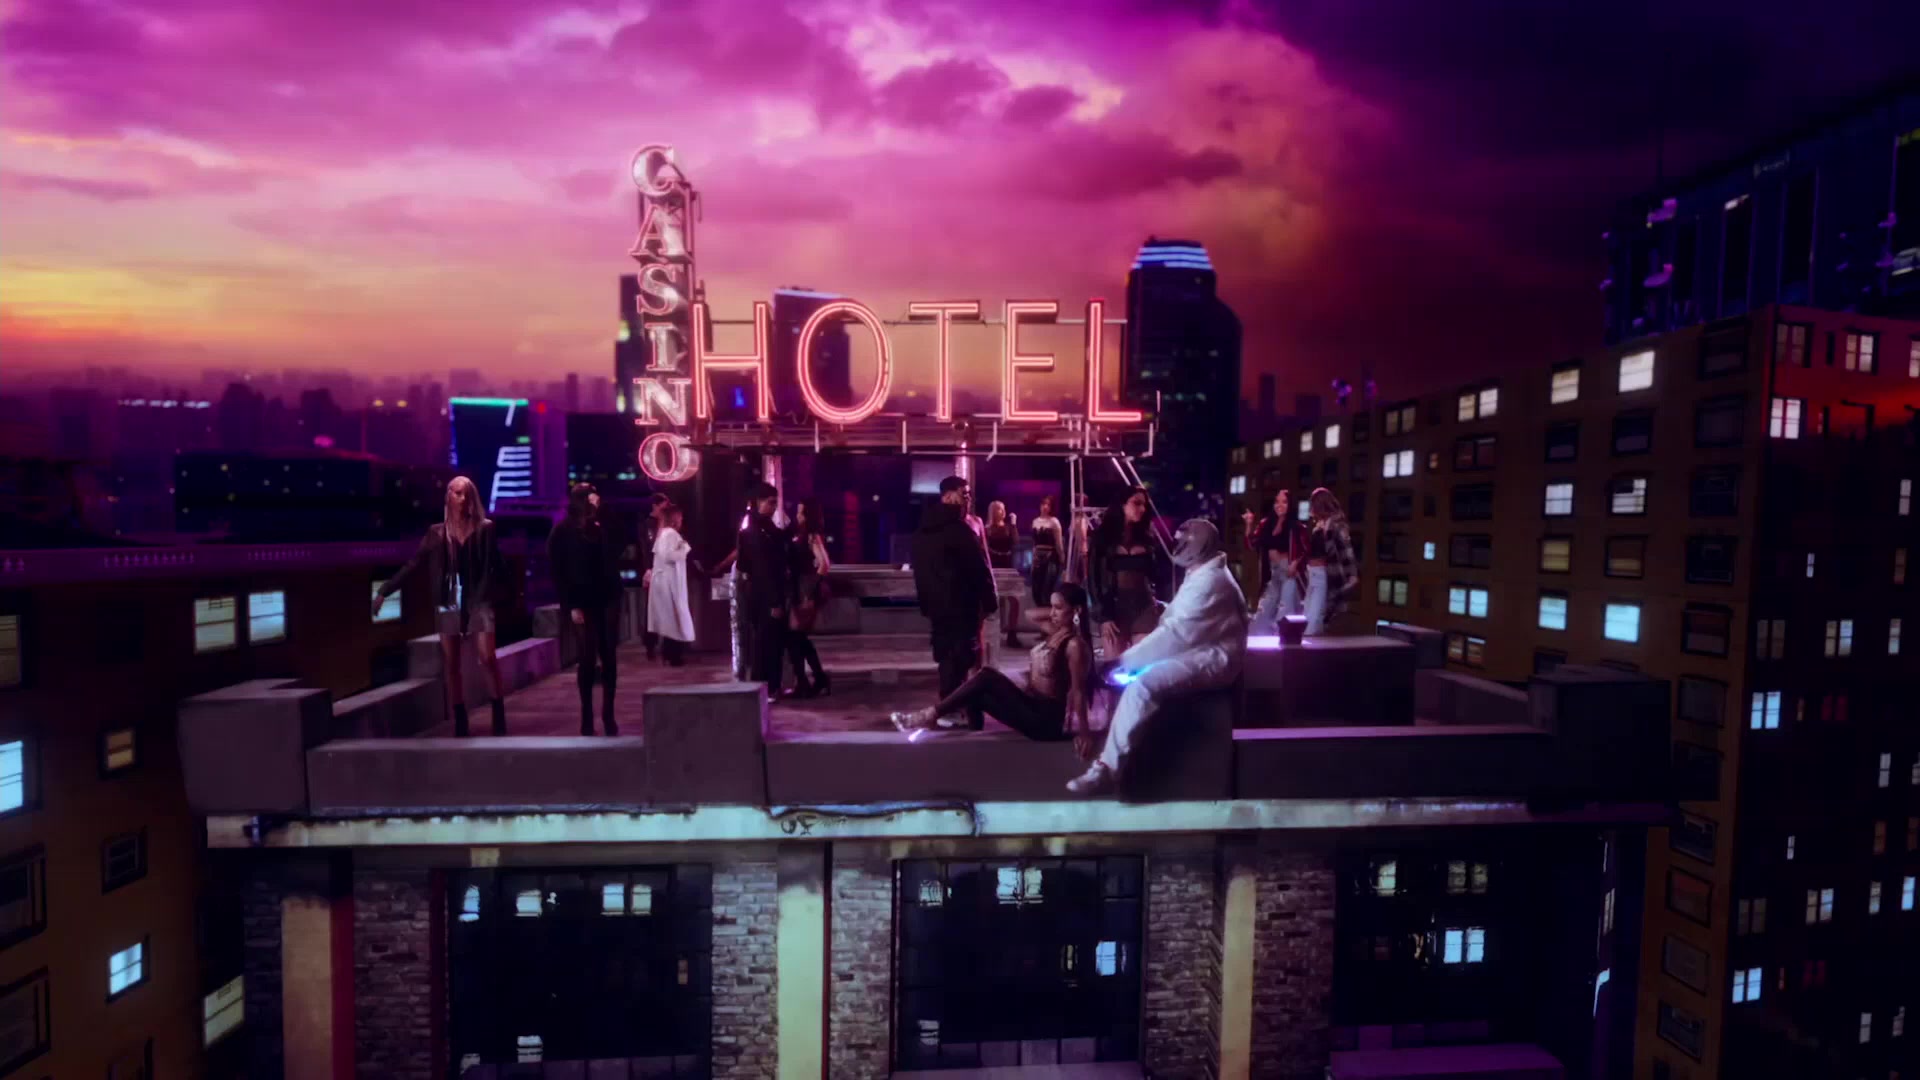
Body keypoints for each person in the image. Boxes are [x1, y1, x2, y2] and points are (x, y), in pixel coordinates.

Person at [1067, 518, 1246, 795]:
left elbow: (1176, 635)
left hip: (1215, 658)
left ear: (1198, 545)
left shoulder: (1210, 581)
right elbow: (1186, 618)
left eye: (1184, 540)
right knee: (1138, 676)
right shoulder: (1204, 572)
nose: (1178, 545)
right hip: (1203, 647)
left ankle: (1107, 769)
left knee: (1143, 684)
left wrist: (1123, 662)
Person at [376, 475, 509, 737]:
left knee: (487, 657)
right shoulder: (436, 533)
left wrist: (500, 596)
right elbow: (413, 564)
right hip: (448, 601)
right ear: (448, 496)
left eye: (466, 493)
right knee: (451, 663)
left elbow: (495, 565)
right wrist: (384, 591)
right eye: (457, 493)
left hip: (479, 600)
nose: (463, 498)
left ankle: (498, 712)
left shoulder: (485, 528)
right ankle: (460, 718)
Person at [891, 584, 1098, 752]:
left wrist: (1084, 733)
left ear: (1076, 610)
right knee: (974, 692)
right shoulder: (1055, 631)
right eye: (1051, 607)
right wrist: (1060, 608)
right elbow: (1030, 614)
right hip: (1031, 704)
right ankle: (972, 742)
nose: (1052, 613)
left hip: (1044, 721)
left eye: (1058, 608)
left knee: (987, 676)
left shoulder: (1075, 645)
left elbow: (1078, 691)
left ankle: (927, 716)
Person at [910, 476, 998, 730]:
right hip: (961, 604)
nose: (968, 498)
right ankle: (954, 709)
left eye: (969, 493)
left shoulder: (923, 530)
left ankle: (954, 708)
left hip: (938, 606)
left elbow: (920, 572)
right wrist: (989, 601)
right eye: (963, 493)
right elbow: (978, 568)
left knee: (947, 656)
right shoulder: (959, 531)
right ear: (947, 496)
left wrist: (927, 602)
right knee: (961, 656)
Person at [548, 482, 623, 736]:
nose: (593, 499)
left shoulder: (602, 526)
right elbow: (558, 572)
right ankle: (587, 716)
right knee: (587, 659)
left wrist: (604, 512)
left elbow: (619, 543)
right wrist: (570, 605)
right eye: (587, 496)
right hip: (581, 601)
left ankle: (608, 715)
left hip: (608, 597)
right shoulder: (562, 532)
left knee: (609, 656)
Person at [1089, 487, 1169, 657]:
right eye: (1136, 503)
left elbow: (1159, 573)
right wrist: (1104, 616)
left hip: (1144, 605)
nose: (1142, 509)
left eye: (1144, 505)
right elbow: (1094, 579)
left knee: (1144, 664)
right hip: (1113, 607)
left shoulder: (1147, 537)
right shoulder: (1102, 537)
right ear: (1122, 504)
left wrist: (1159, 600)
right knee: (1115, 666)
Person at [736, 482, 791, 695]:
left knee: (768, 643)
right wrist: (774, 601)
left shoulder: (761, 528)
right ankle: (767, 688)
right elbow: (763, 569)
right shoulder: (756, 531)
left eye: (775, 503)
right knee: (767, 644)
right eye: (770, 503)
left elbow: (744, 565)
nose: (774, 507)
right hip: (766, 596)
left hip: (762, 593)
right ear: (758, 502)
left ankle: (768, 687)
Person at [784, 498, 831, 697]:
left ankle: (807, 682)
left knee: (795, 636)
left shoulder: (812, 536)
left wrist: (810, 590)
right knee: (797, 637)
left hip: (805, 590)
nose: (798, 515)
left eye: (801, 512)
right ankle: (816, 680)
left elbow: (824, 564)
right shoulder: (800, 534)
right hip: (799, 588)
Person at [1242, 489, 1305, 636]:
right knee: (1263, 612)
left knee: (1285, 610)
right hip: (1272, 573)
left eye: (1284, 502)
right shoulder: (1266, 524)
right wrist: (1249, 524)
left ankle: (1284, 646)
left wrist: (1295, 563)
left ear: (1290, 504)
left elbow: (1305, 550)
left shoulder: (1296, 526)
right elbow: (1252, 544)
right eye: (1277, 502)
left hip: (1288, 572)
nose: (1279, 505)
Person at [1302, 487, 1359, 636]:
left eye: (1313, 504)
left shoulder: (1336, 524)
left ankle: (1312, 647)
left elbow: (1346, 550)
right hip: (1312, 575)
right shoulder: (1320, 525)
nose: (1311, 508)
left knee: (1314, 619)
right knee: (1306, 616)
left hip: (1323, 575)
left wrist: (1352, 575)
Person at [647, 504, 695, 667]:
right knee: (674, 618)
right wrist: (684, 548)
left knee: (670, 619)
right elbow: (669, 556)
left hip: (666, 582)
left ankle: (670, 654)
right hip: (669, 583)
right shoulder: (670, 534)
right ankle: (673, 655)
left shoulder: (664, 534)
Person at [984, 499, 1023, 648]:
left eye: (1003, 508)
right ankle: (991, 633)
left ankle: (1012, 634)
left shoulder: (1008, 527)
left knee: (1014, 600)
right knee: (994, 601)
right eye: (999, 509)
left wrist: (1014, 524)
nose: (1002, 511)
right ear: (993, 511)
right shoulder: (987, 528)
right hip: (993, 568)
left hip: (1008, 567)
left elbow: (1016, 541)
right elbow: (984, 547)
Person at [639, 493, 670, 660]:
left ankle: (667, 645)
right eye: (663, 507)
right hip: (653, 570)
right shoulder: (647, 525)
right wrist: (647, 569)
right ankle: (650, 645)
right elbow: (645, 549)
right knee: (651, 609)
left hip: (666, 571)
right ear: (655, 506)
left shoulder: (667, 524)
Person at [1029, 495, 1064, 611]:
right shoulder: (1035, 521)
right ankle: (1041, 612)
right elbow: (1034, 544)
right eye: (1043, 504)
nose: (1045, 507)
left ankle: (1050, 613)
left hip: (1051, 557)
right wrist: (1033, 560)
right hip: (1038, 557)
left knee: (1047, 586)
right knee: (1036, 588)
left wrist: (1062, 559)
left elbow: (1058, 543)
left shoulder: (1054, 521)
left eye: (1048, 505)